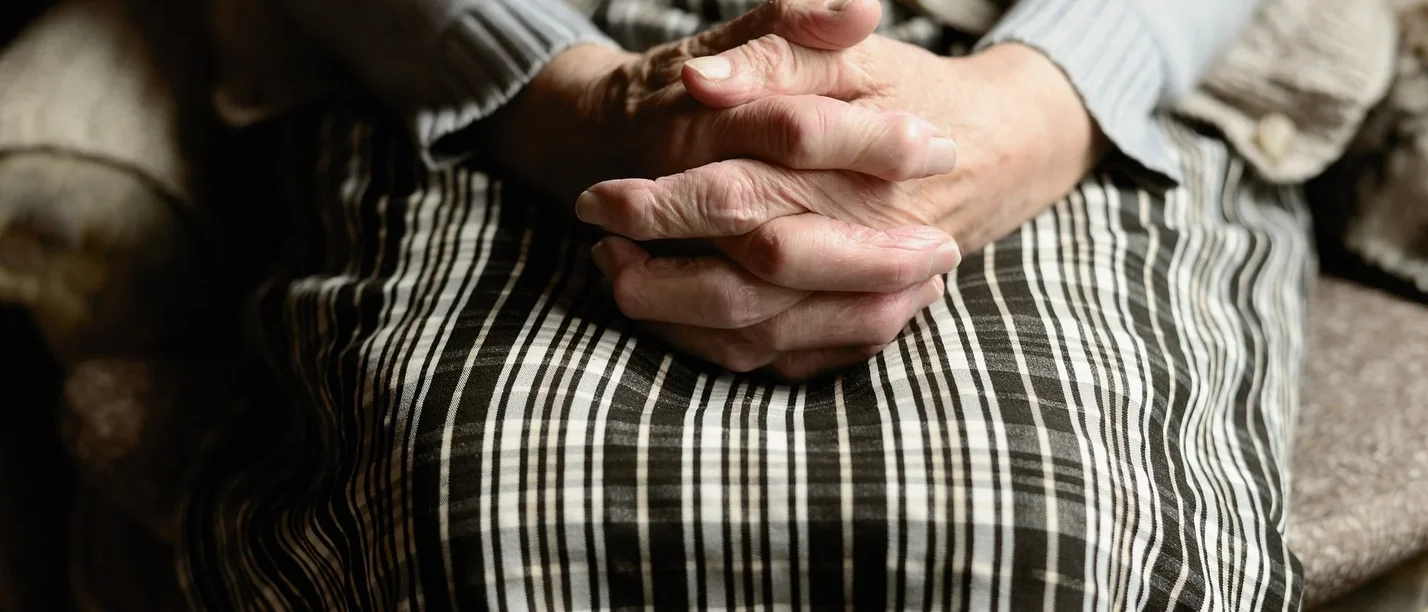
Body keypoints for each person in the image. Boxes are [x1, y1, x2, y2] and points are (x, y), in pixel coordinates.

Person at [185, 0, 1308, 608]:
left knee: (1052, 545)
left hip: (1039, 61)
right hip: (527, 63)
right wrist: (565, 100)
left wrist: (1034, 109)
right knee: (471, 533)